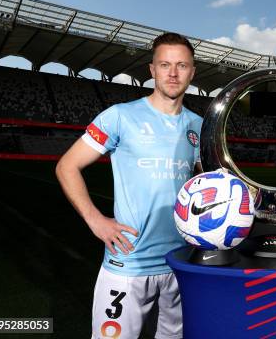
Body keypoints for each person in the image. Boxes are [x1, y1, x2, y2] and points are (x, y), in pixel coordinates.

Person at [56, 32, 202, 339]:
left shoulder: (200, 126)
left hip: (181, 263)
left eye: (181, 65)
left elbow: (208, 181)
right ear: (152, 70)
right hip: (129, 264)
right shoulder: (120, 117)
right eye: (165, 65)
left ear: (192, 71)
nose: (173, 73)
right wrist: (95, 220)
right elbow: (67, 166)